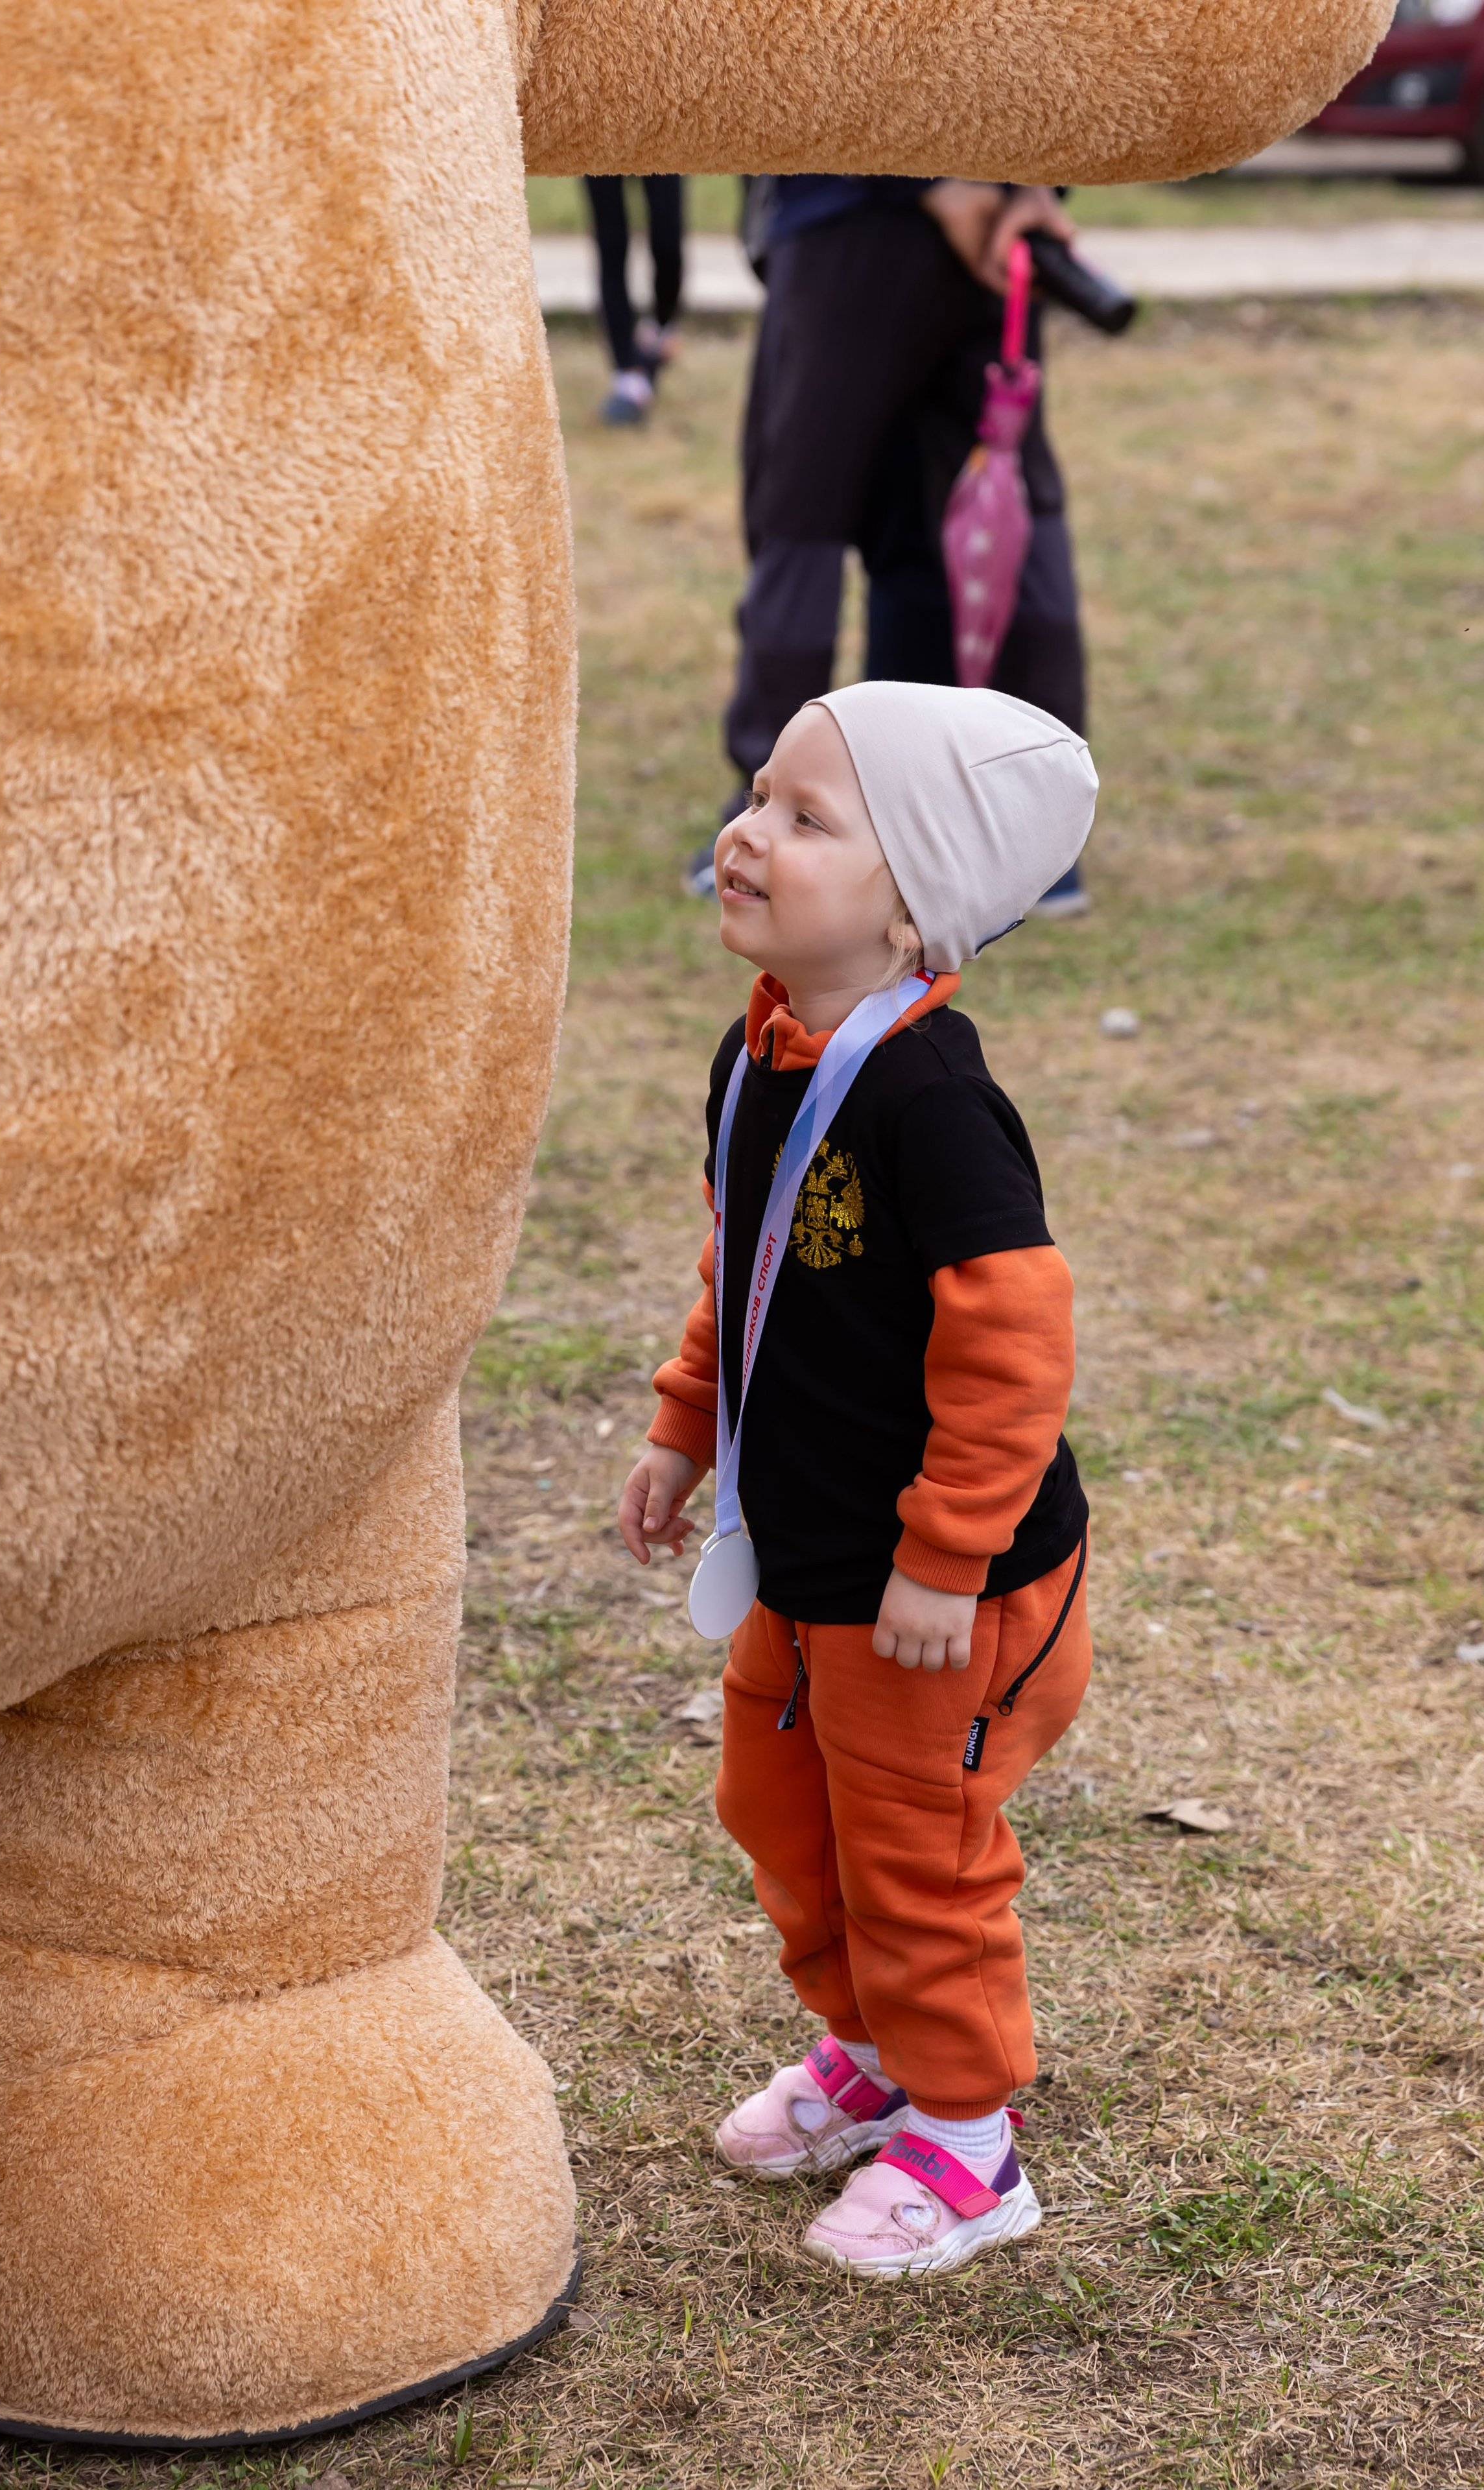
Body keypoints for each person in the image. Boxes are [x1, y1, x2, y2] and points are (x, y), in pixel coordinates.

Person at [620, 682, 1097, 2277]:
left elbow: (1011, 1344)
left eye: (806, 818)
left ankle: (967, 2144)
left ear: (907, 907)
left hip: (938, 1590)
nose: (745, 832)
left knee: (915, 1847)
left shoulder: (929, 1098)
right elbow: (737, 1263)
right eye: (756, 794)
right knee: (778, 1804)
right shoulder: (756, 1051)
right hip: (805, 1557)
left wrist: (945, 1552)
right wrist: (687, 1423)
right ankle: (872, 2051)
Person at [684, 178, 1090, 918]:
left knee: (806, 518)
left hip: (853, 212)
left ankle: (777, 821)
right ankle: (1022, 828)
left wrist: (953, 181)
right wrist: (1027, 181)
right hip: (991, 214)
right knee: (988, 505)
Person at [584, 174, 684, 425]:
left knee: (667, 240)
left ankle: (660, 329)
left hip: (661, 137)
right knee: (611, 242)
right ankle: (627, 373)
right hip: (600, 138)